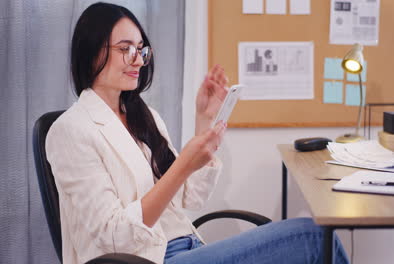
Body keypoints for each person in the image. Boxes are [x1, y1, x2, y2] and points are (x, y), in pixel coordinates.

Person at [45, 2, 349, 264]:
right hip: (151, 259)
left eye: (141, 50)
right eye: (125, 50)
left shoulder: (142, 115)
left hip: (188, 247)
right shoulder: (70, 131)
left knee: (313, 241)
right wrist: (181, 167)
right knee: (313, 237)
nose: (137, 60)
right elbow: (115, 240)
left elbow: (191, 197)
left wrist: (204, 120)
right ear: (91, 52)